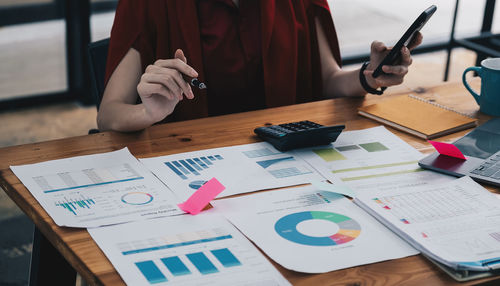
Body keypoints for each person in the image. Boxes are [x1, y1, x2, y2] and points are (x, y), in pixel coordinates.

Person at [97, 0, 422, 132]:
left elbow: (327, 80)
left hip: (285, 156)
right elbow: (109, 113)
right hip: (192, 167)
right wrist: (149, 114)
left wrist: (368, 77)